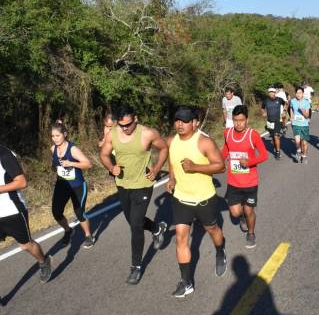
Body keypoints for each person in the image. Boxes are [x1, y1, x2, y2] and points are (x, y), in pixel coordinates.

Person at [0, 121, 52, 311]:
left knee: (26, 245)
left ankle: (43, 261)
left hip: (13, 211)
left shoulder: (6, 155)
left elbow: (22, 182)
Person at [100, 105, 169, 285]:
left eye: (128, 124)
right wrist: (111, 167)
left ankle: (136, 266)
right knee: (132, 221)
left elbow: (164, 148)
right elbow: (104, 154)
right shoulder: (112, 134)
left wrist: (156, 169)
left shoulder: (147, 133)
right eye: (121, 125)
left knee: (136, 226)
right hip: (123, 184)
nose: (124, 128)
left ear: (135, 119)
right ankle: (157, 228)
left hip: (143, 184)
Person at [166, 107, 227, 298]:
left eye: (185, 121)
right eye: (177, 120)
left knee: (213, 230)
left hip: (204, 199)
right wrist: (172, 178)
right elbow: (172, 162)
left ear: (195, 123)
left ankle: (220, 251)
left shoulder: (204, 142)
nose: (180, 124)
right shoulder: (172, 141)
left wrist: (195, 167)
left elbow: (221, 166)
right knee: (181, 238)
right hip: (181, 198)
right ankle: (186, 282)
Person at [222, 104, 268, 248]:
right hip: (233, 182)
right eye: (235, 120)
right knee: (235, 213)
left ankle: (251, 233)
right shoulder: (227, 133)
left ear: (247, 120)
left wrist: (249, 162)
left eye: (241, 120)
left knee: (249, 210)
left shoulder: (253, 135)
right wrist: (219, 162)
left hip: (250, 182)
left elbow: (264, 155)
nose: (238, 124)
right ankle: (242, 217)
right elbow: (226, 149)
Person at [50, 121, 95, 248]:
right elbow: (55, 164)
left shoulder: (73, 149)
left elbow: (88, 164)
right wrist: (56, 167)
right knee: (56, 212)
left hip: (77, 185)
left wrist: (71, 163)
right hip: (62, 184)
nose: (55, 139)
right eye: (52, 136)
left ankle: (88, 235)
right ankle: (68, 231)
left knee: (79, 212)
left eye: (57, 136)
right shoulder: (53, 149)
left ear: (65, 134)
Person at [261, 87, 287, 160]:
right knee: (273, 137)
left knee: (276, 136)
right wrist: (263, 112)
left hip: (277, 121)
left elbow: (286, 104)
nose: (271, 93)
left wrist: (284, 111)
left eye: (272, 92)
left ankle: (278, 152)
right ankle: (276, 147)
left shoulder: (279, 99)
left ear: (275, 92)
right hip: (269, 122)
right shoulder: (266, 101)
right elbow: (262, 108)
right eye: (270, 92)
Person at [289, 86, 311, 163]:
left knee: (304, 143)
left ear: (303, 93)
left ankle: (304, 155)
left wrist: (303, 111)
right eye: (297, 93)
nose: (298, 94)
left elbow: (307, 116)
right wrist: (291, 118)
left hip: (304, 124)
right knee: (297, 140)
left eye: (300, 93)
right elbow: (291, 109)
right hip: (296, 123)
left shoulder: (306, 102)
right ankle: (298, 151)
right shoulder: (292, 101)